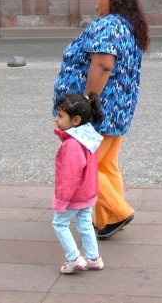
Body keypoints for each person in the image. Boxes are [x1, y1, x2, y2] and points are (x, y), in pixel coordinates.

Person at [53, 0, 150, 240]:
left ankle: (119, 212)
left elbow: (103, 65)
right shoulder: (128, 26)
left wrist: (83, 103)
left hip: (98, 110)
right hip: (116, 109)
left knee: (86, 166)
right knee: (106, 164)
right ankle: (106, 221)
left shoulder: (108, 25)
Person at [52, 92, 105, 274]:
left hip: (74, 195)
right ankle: (93, 258)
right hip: (88, 192)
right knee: (85, 223)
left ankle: (73, 258)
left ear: (75, 120)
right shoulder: (89, 136)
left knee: (59, 223)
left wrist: (61, 200)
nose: (56, 119)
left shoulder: (71, 144)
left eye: (60, 116)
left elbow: (69, 175)